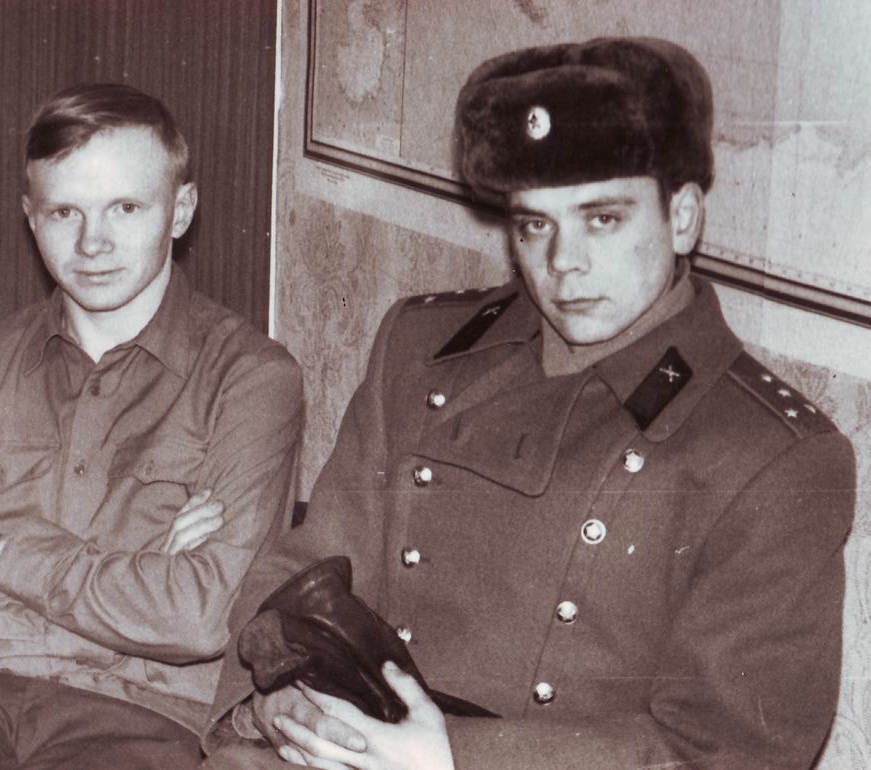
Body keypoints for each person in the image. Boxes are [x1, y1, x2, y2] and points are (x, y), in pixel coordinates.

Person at [199, 37, 856, 769]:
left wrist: (455, 758)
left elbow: (725, 751)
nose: (563, 262)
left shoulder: (772, 457)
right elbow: (308, 564)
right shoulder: (422, 348)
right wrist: (276, 697)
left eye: (602, 219)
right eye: (534, 224)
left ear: (682, 218)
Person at [0, 83, 302, 769]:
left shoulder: (253, 379)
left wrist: (1, 557)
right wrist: (143, 587)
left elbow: (202, 617)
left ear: (180, 211)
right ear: (31, 217)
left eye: (126, 208)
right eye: (64, 212)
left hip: (145, 716)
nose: (92, 243)